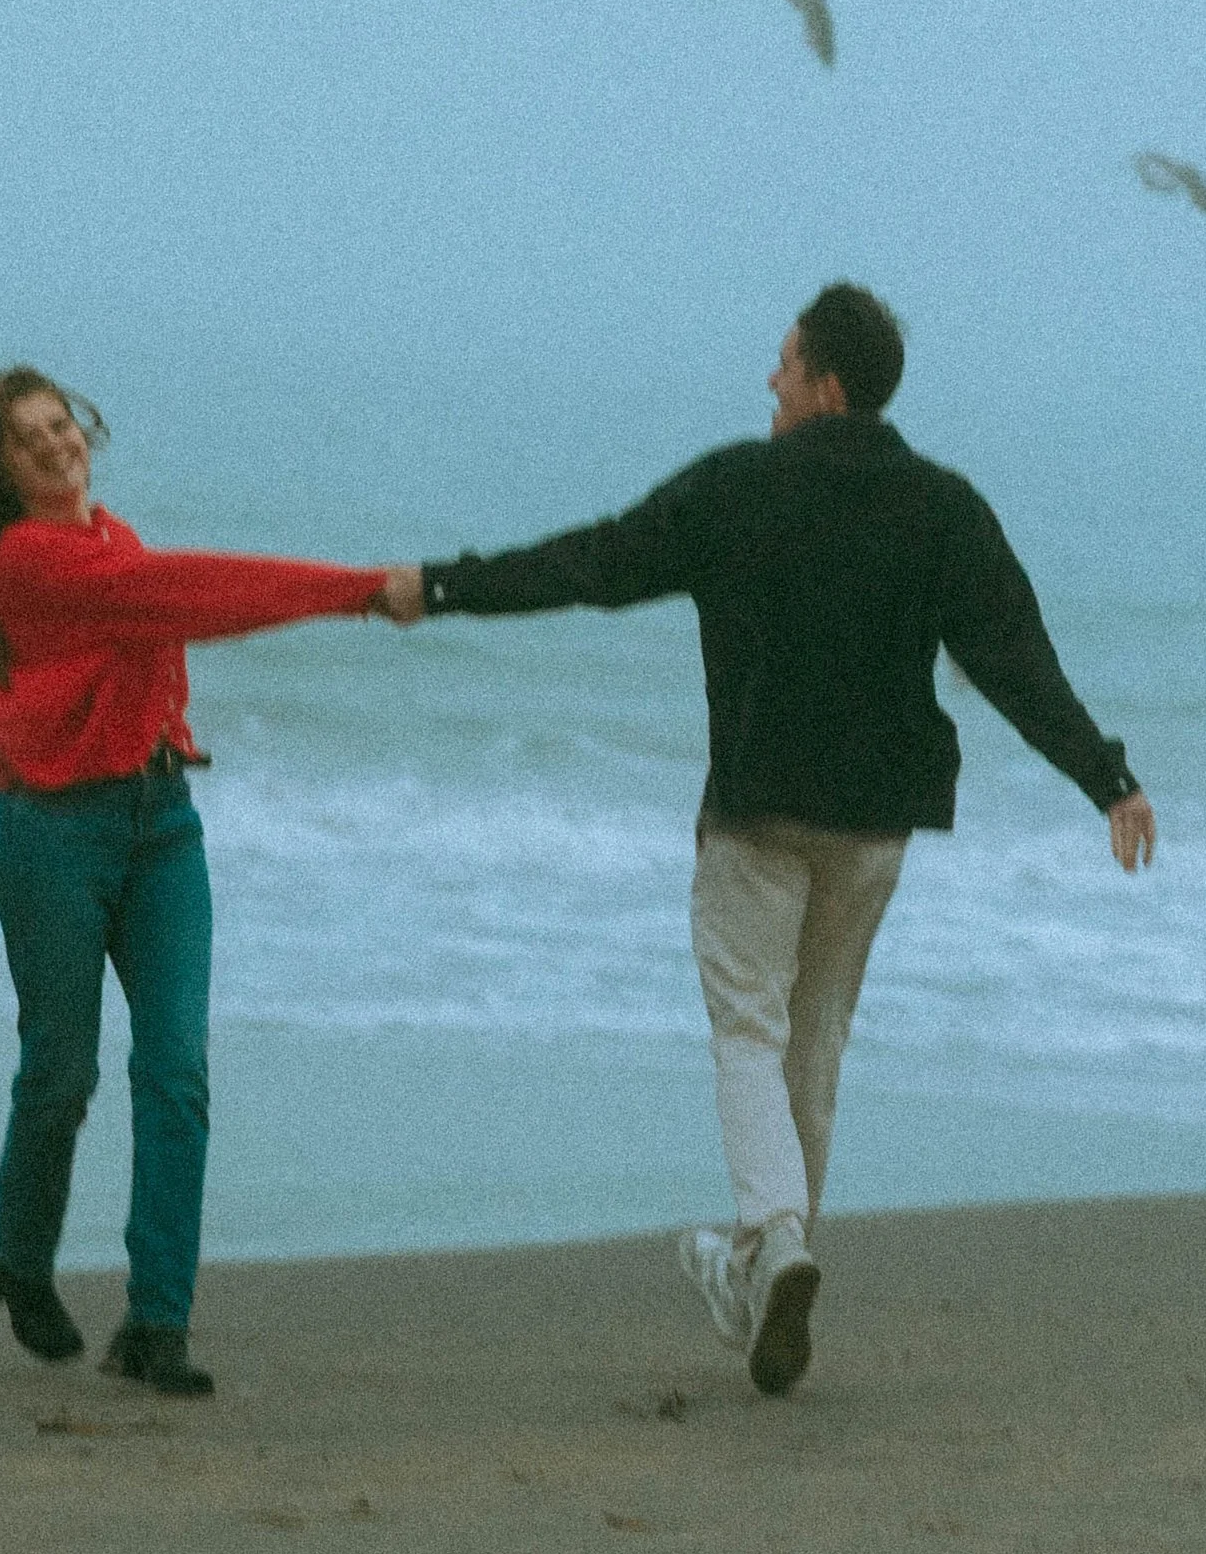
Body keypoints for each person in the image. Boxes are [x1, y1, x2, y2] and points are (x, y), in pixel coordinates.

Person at [378, 285, 1154, 1398]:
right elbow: (1012, 654)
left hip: (758, 810)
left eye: (784, 365)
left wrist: (441, 587)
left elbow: (597, 564)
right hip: (876, 821)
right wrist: (1108, 779)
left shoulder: (742, 485)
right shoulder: (942, 505)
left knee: (748, 1028)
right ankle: (762, 1270)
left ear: (827, 384)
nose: (770, 383)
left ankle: (777, 1240)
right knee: (817, 1037)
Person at [0, 367, 390, 1394]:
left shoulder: (113, 539)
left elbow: (162, 607)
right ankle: (20, 1257)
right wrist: (351, 590)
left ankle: (156, 1322)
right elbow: (190, 595)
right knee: (61, 1073)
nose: (53, 444)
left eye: (61, 424)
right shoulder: (26, 561)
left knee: (176, 1071)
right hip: (53, 839)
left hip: (162, 828)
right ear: (1, 468)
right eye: (26, 437)